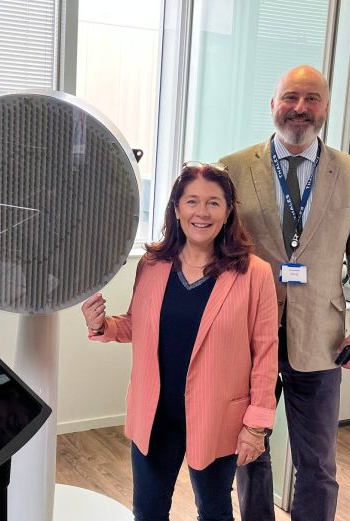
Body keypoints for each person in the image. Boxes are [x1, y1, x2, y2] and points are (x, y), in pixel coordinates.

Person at [220, 65, 350, 521]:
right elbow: (215, 253)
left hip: (321, 338)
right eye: (291, 97)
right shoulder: (232, 169)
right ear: (273, 105)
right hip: (248, 334)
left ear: (325, 107)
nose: (300, 108)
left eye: (311, 98)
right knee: (249, 452)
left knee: (318, 464)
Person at [81, 164, 279, 521]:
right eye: (192, 201)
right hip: (156, 415)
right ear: (176, 208)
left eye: (213, 202)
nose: (202, 212)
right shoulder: (152, 264)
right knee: (148, 512)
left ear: (228, 211)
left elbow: (266, 355)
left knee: (214, 512)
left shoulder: (254, 274)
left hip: (218, 417)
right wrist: (102, 325)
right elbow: (137, 325)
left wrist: (256, 426)